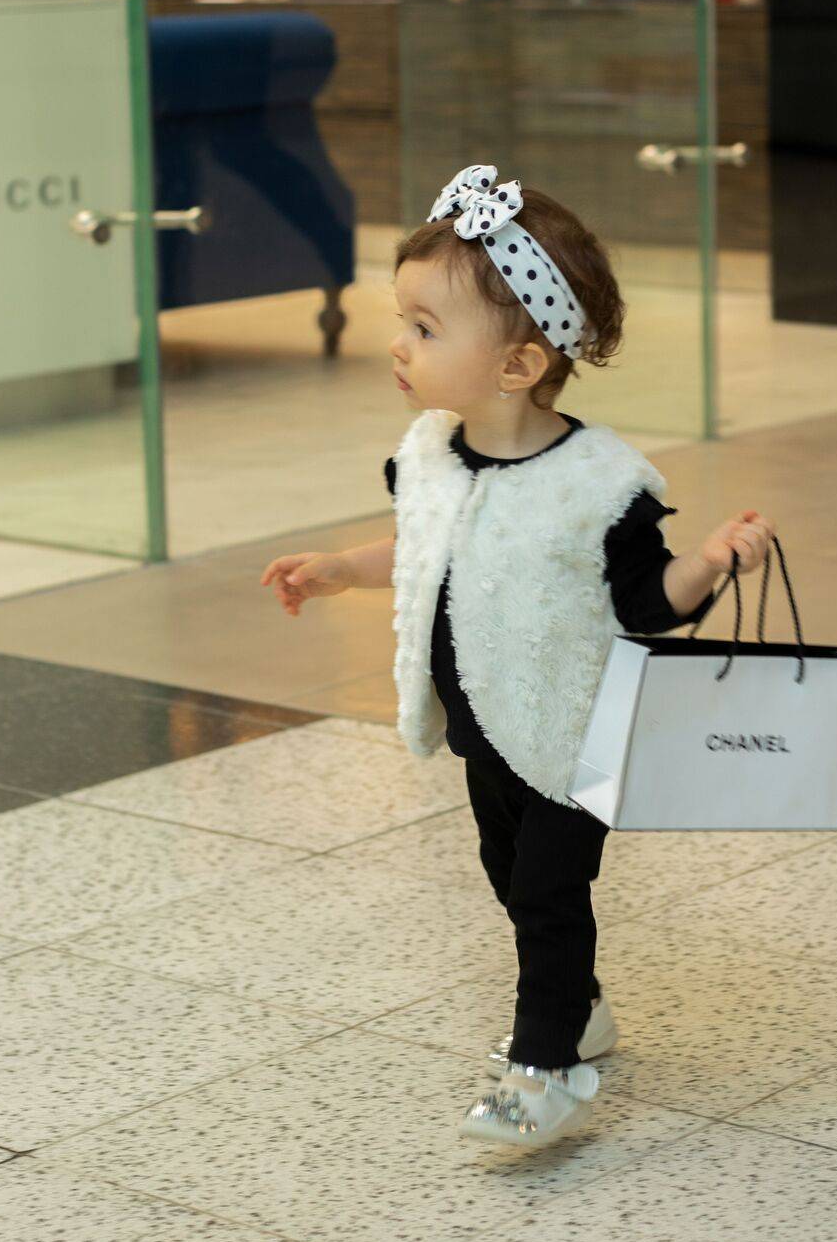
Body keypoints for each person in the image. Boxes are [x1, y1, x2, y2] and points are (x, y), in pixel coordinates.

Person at [261, 163, 774, 1150]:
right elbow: (425, 548)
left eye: (424, 328)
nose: (398, 345)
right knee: (507, 873)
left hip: (575, 735)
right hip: (486, 730)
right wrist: (342, 569)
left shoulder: (599, 485)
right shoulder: (429, 454)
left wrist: (708, 562)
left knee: (546, 893)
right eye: (403, 321)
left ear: (518, 364)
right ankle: (579, 1006)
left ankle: (546, 1065)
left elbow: (644, 601)